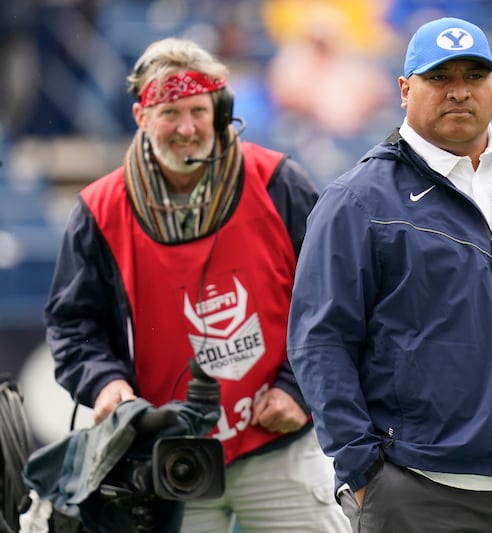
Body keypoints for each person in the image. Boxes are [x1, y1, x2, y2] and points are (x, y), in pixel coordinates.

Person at [287, 16, 492, 533]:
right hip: (420, 492)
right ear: (404, 88)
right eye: (439, 78)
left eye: (474, 76)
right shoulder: (358, 200)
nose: (459, 92)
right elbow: (319, 341)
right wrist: (363, 470)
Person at [43, 37, 350, 533]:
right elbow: (73, 323)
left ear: (221, 110)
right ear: (142, 116)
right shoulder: (100, 211)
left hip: (279, 448)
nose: (186, 128)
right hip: (166, 456)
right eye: (170, 113)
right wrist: (105, 384)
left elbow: (335, 300)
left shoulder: (279, 182)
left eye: (198, 110)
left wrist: (300, 390)